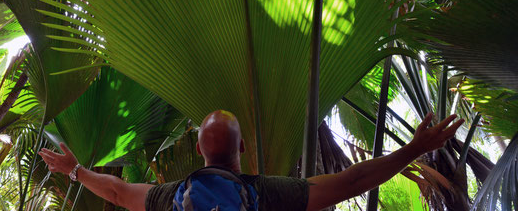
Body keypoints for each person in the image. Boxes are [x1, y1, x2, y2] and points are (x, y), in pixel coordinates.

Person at [39, 110, 464, 211]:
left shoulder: (174, 197)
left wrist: (73, 169)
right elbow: (352, 182)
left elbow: (114, 190)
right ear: (241, 151)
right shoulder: (268, 194)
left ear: (201, 153)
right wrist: (413, 150)